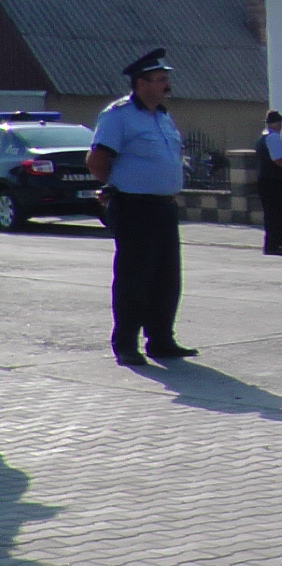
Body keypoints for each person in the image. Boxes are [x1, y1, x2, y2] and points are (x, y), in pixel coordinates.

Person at [87, 49, 193, 366]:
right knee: (135, 278)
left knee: (166, 278)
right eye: (160, 79)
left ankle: (160, 340)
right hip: (134, 208)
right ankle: (126, 344)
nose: (167, 85)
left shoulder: (162, 116)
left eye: (167, 79)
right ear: (141, 83)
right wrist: (119, 187)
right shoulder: (118, 116)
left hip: (163, 208)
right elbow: (97, 162)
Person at [255, 110, 282, 256]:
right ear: (278, 124)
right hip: (273, 180)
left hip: (263, 179)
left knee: (270, 213)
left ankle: (271, 243)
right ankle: (274, 244)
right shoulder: (274, 137)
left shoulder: (262, 138)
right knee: (276, 213)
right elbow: (277, 159)